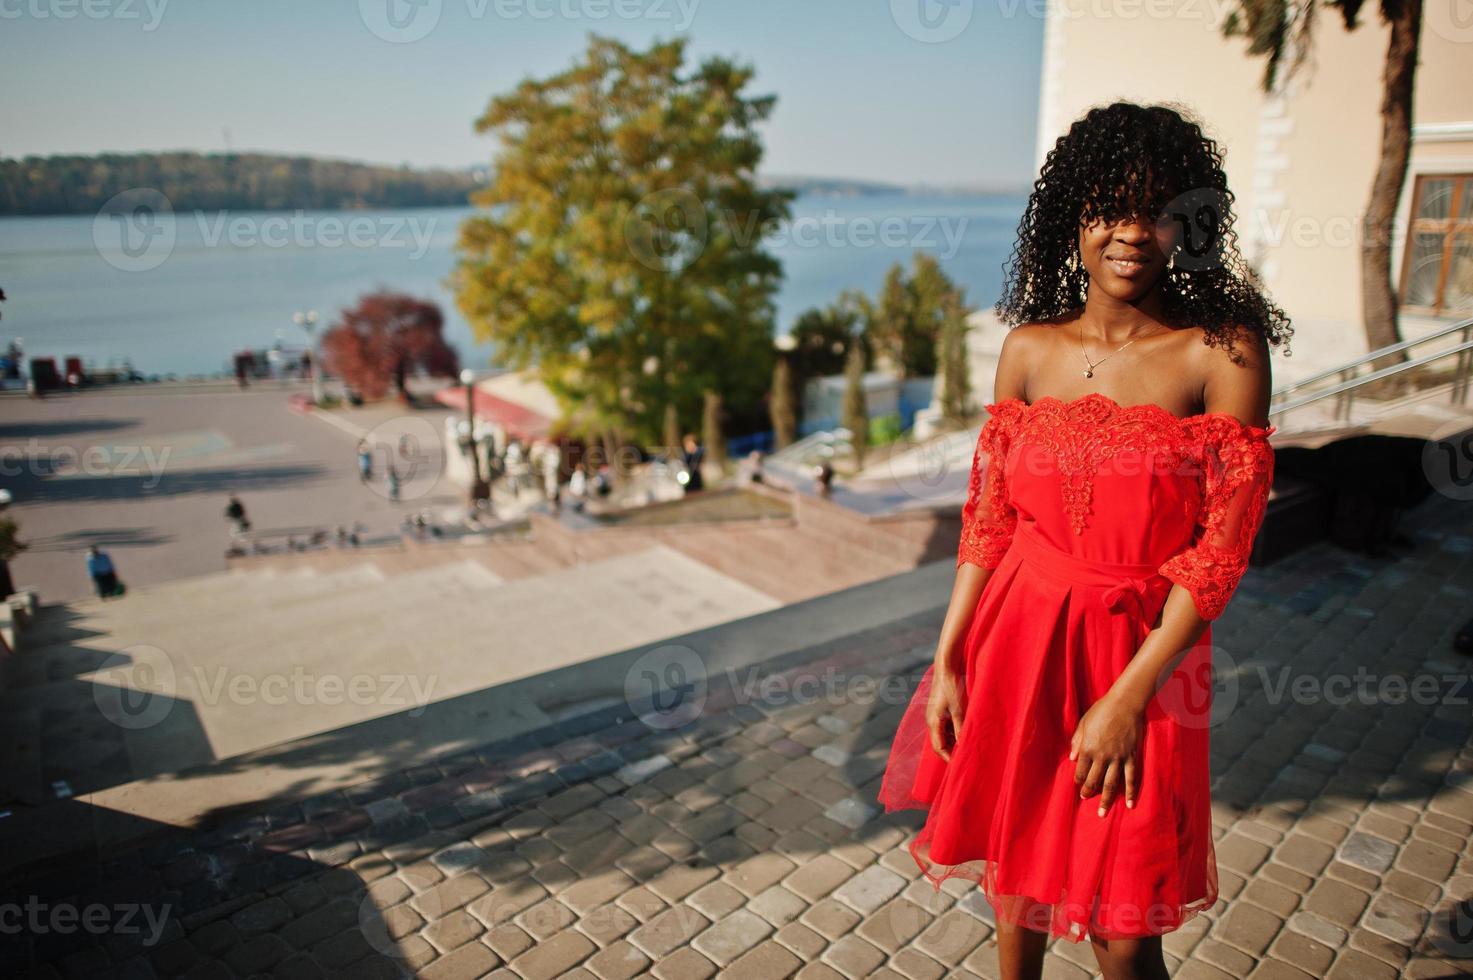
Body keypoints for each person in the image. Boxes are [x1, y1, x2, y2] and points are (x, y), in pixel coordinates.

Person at [877, 101, 1291, 976]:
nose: (1129, 231)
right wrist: (949, 655)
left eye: (1154, 209)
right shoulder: (1027, 349)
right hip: (1015, 642)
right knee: (1014, 881)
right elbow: (989, 520)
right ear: (1073, 217)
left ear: (1187, 223)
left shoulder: (1220, 354)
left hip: (1138, 655)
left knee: (1123, 933)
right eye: (1108, 206)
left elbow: (1219, 556)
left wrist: (1130, 699)